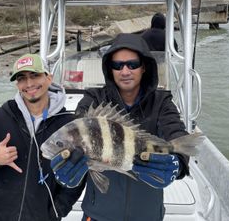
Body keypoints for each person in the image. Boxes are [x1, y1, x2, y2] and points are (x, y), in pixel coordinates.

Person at [50, 33, 189, 221]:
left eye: (132, 64)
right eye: (117, 65)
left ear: (144, 67)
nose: (125, 71)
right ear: (110, 69)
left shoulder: (161, 102)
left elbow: (176, 132)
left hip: (147, 215)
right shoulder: (94, 99)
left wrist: (179, 162)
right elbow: (79, 125)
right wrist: (67, 171)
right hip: (98, 215)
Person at [0, 53, 84, 221]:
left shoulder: (69, 125)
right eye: (22, 78)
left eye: (35, 75)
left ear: (49, 78)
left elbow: (77, 178)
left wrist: (56, 211)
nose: (29, 84)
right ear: (17, 84)